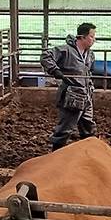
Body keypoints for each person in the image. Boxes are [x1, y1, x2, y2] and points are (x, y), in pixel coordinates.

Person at [40, 22, 97, 150]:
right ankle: (56, 154)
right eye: (92, 36)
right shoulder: (65, 50)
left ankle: (89, 153)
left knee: (89, 127)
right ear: (82, 37)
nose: (94, 39)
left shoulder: (90, 55)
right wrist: (55, 71)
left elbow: (89, 72)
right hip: (72, 97)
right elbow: (45, 56)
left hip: (86, 96)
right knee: (65, 129)